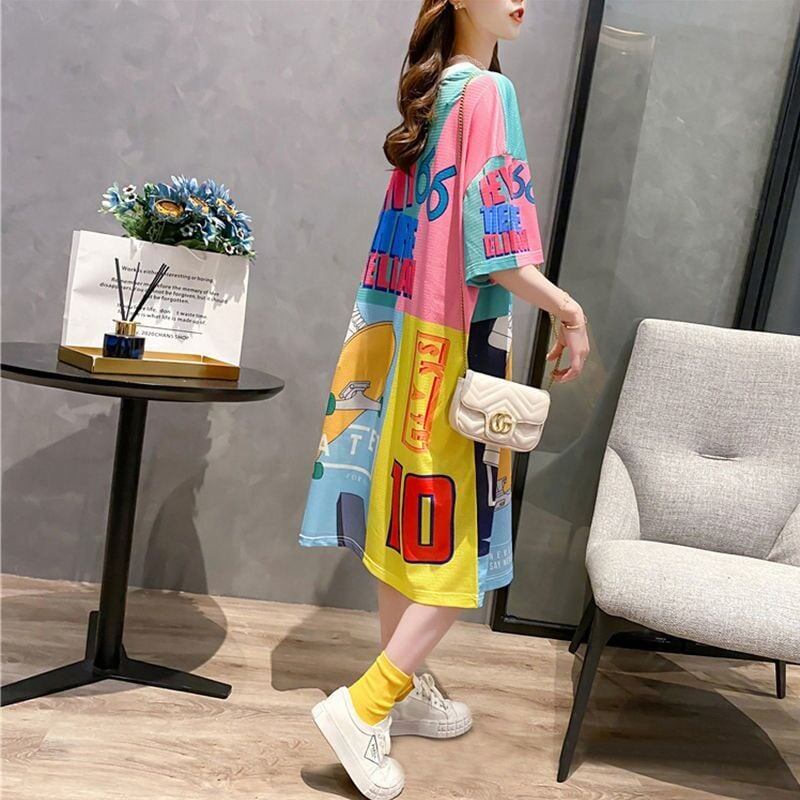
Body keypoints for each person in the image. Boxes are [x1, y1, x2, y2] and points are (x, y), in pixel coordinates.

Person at [298, 1, 590, 796]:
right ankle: (366, 707)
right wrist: (567, 310)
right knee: (454, 549)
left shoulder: (435, 97)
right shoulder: (489, 94)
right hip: (455, 352)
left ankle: (401, 697)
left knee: (405, 534)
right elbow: (497, 254)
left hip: (402, 346)